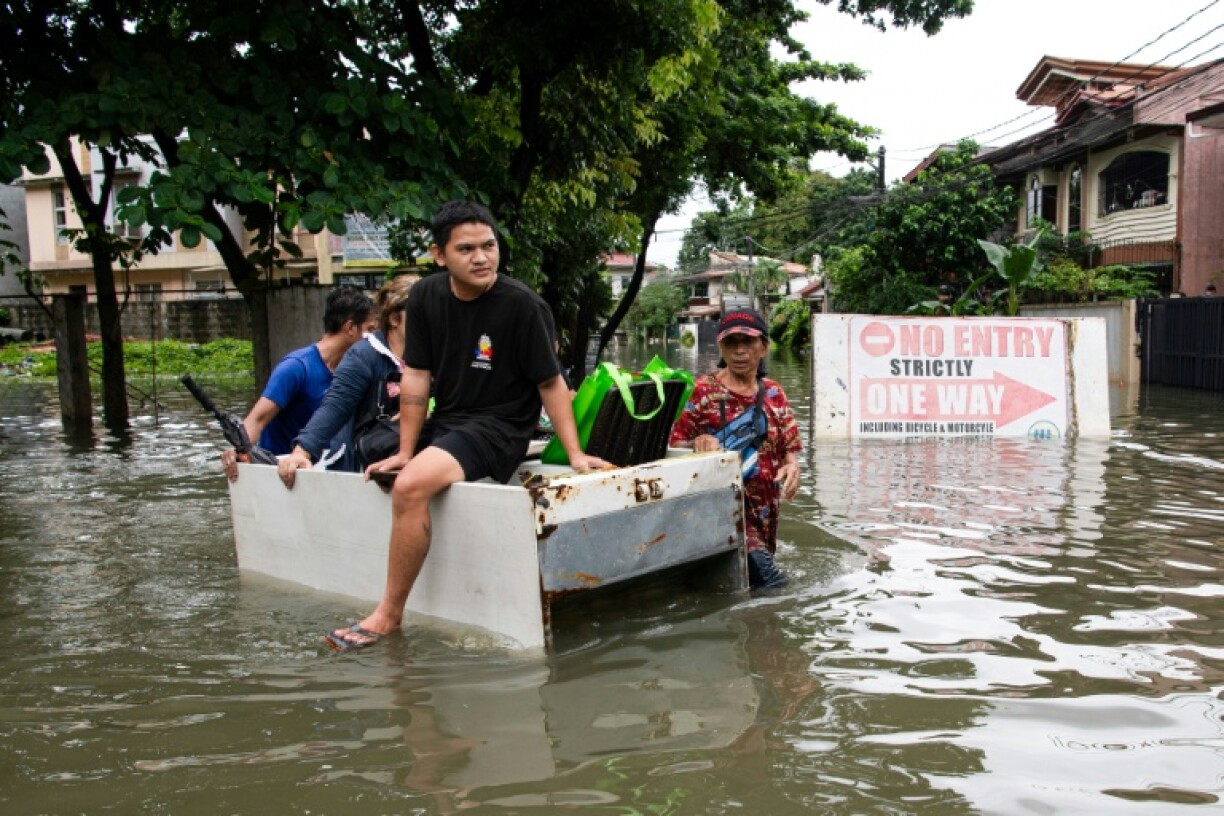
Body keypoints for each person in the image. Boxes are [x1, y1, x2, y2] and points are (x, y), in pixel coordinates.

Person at [324, 200, 610, 651]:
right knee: (378, 454)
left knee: (410, 485)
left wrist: (573, 452)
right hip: (450, 420)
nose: (481, 257)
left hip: (498, 429)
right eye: (467, 249)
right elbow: (416, 374)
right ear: (440, 256)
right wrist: (404, 448)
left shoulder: (522, 306)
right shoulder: (426, 297)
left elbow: (551, 383)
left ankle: (388, 614)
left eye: (489, 246)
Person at [669, 309, 801, 589]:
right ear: (721, 347)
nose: (740, 351)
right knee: (771, 584)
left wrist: (791, 465)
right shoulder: (703, 391)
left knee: (750, 582)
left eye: (748, 342)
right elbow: (672, 445)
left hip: (765, 507)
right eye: (731, 343)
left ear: (763, 347)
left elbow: (789, 443)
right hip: (723, 507)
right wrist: (697, 443)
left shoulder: (774, 392)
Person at [221, 285, 373, 480]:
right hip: (283, 475)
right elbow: (257, 420)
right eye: (370, 330)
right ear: (350, 328)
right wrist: (237, 452)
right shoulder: (296, 367)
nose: (373, 339)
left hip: (326, 471)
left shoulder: (355, 372)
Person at [277, 274, 417, 484]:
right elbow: (335, 407)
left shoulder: (437, 354)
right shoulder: (365, 356)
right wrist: (302, 452)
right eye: (422, 314)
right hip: (367, 464)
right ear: (395, 318)